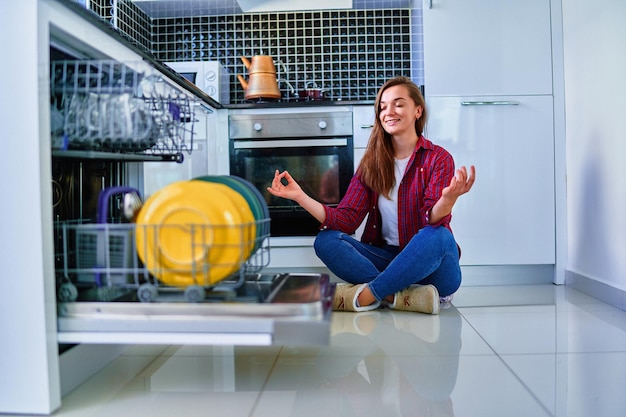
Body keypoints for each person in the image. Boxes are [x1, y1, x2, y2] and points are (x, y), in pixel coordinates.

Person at [267, 76, 475, 314]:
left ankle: (369, 295)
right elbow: (346, 220)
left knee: (437, 237)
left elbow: (432, 219)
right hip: (386, 260)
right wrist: (300, 196)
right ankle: (398, 296)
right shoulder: (371, 164)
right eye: (383, 106)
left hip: (431, 268)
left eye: (398, 103)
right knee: (326, 240)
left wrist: (448, 200)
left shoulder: (438, 158)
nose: (389, 111)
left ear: (418, 110)